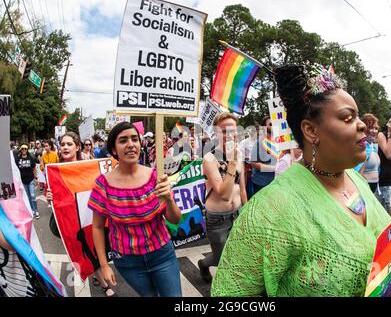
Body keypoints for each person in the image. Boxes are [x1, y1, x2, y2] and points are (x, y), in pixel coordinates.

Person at [211, 63, 391, 297]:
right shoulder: (269, 211)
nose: (361, 125)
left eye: (358, 116)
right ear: (311, 131)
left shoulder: (356, 179)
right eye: (347, 118)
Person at [88, 122, 182, 297]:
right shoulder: (103, 185)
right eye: (123, 140)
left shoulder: (156, 176)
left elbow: (175, 219)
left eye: (134, 139)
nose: (131, 144)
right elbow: (98, 227)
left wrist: (168, 198)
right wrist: (104, 265)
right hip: (127, 262)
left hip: (162, 255)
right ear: (114, 150)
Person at [46, 132, 117, 297]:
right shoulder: (54, 171)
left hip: (90, 218)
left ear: (77, 147)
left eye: (69, 144)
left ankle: (99, 277)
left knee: (97, 249)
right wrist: (50, 197)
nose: (65, 147)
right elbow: (54, 200)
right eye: (62, 144)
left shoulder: (87, 167)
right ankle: (107, 288)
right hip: (69, 222)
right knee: (86, 252)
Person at [198, 112, 248, 283]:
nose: (230, 135)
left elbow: (242, 187)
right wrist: (232, 163)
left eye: (233, 130)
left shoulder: (239, 155)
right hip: (218, 219)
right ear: (216, 133)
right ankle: (204, 264)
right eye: (224, 131)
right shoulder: (209, 159)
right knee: (220, 259)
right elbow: (224, 195)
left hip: (238, 212)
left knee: (237, 253)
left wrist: (246, 211)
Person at [250, 117, 277, 195]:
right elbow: (253, 163)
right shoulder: (258, 142)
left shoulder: (279, 142)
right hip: (261, 183)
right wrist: (273, 168)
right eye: (270, 124)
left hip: (276, 182)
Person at [354, 113, 381, 193]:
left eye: (376, 128)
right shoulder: (363, 146)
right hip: (364, 189)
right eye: (371, 128)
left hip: (374, 189)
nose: (374, 131)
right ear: (364, 128)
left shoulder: (372, 146)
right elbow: (357, 173)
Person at [15, 145, 38, 219]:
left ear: (27, 150)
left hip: (31, 179)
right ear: (21, 150)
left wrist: (36, 177)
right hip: (23, 181)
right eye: (22, 149)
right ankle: (31, 210)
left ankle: (36, 210)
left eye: (25, 149)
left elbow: (34, 167)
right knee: (28, 197)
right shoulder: (18, 159)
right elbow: (15, 169)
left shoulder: (30, 158)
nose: (24, 150)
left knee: (33, 196)